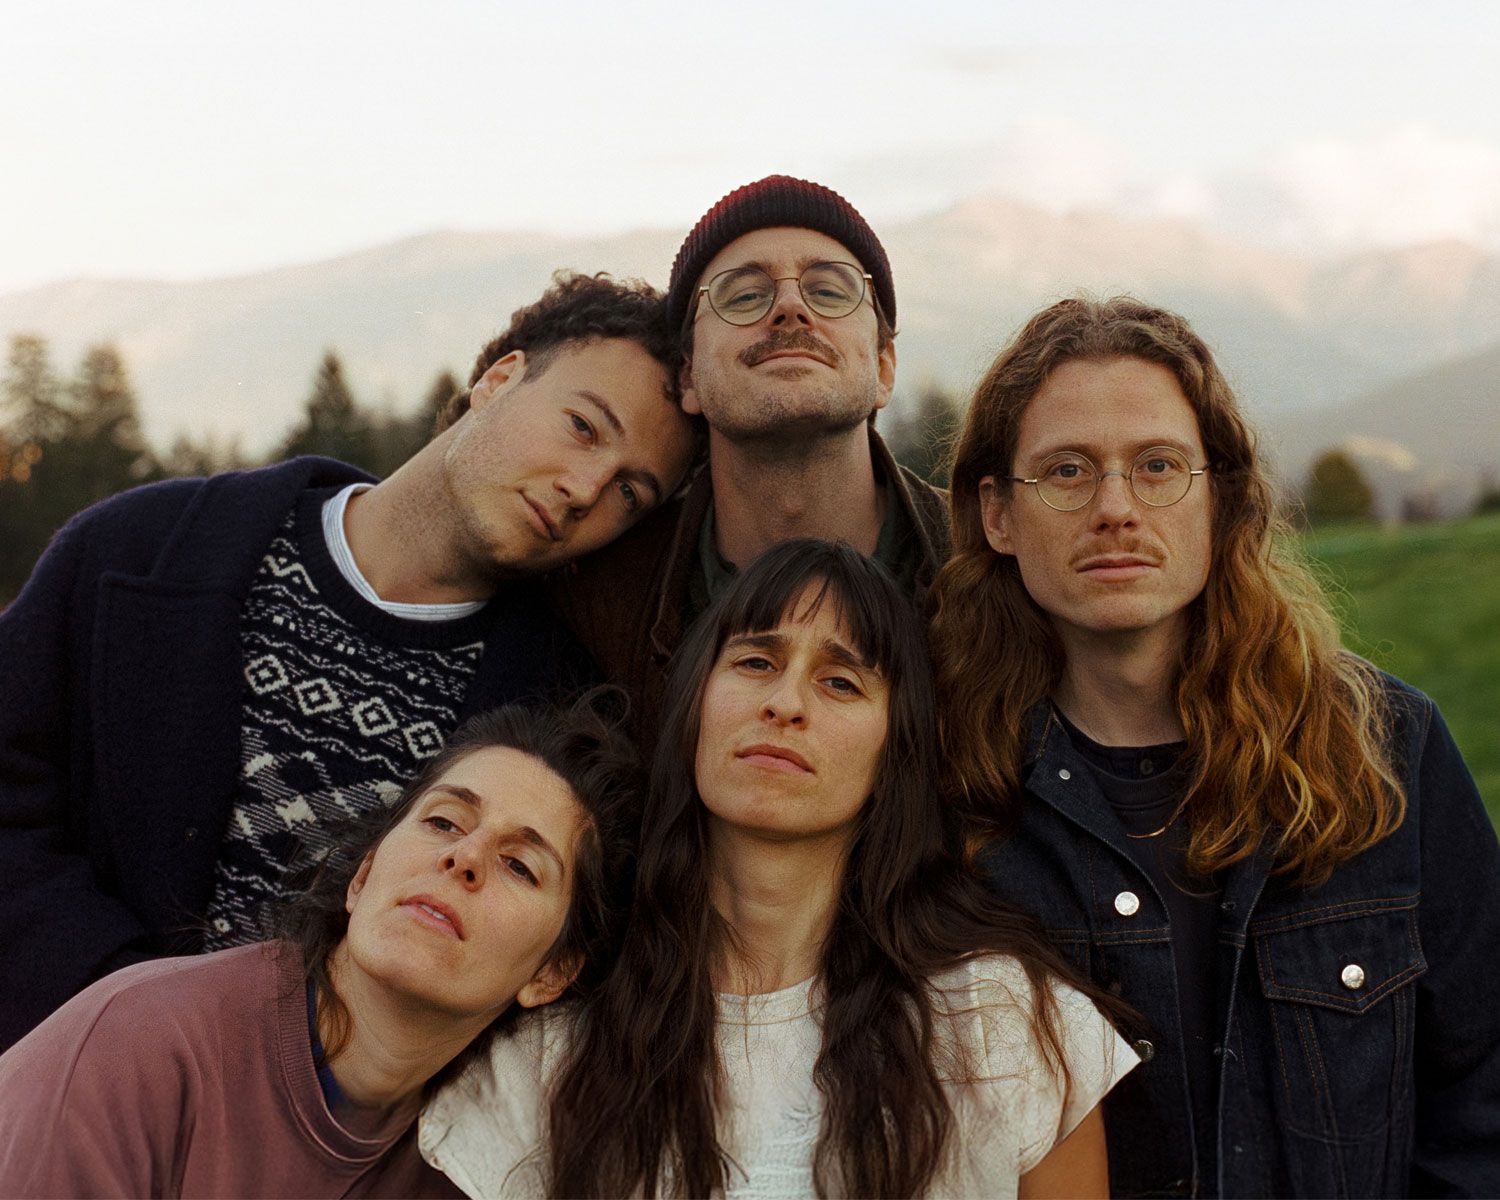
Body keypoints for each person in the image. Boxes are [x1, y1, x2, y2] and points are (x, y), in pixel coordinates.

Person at [0, 271, 696, 1050]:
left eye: (630, 494)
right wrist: (126, 1007)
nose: (585, 487)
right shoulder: (146, 547)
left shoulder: (553, 709)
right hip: (52, 1063)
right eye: (583, 426)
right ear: (499, 380)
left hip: (318, 1115)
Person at [928, 296, 1500, 1197]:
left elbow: (1484, 1097)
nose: (1115, 508)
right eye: (1067, 471)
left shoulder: (1386, 750)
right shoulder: (942, 786)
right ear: (997, 514)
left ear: (1220, 497)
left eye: (1157, 466)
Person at [421, 540, 1137, 1199]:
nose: (785, 704)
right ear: (695, 701)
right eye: (756, 663)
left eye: (841, 683)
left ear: (897, 747)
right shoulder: (553, 1043)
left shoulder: (997, 1021)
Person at [0, 698, 641, 1197]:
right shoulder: (138, 1052)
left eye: (520, 865)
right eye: (444, 820)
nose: (464, 856)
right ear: (363, 876)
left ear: (552, 974)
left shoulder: (471, 1164)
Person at [556, 176, 950, 750]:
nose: (790, 308)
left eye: (830, 292)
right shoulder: (600, 594)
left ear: (884, 369)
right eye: (743, 296)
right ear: (688, 376)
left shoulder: (989, 568)